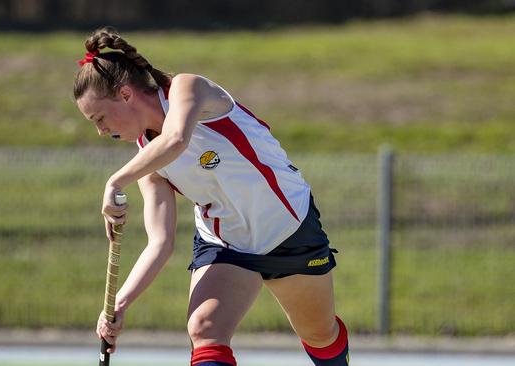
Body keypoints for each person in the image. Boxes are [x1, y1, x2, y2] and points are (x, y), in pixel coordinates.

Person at [74, 26, 350, 366]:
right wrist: (119, 304)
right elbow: (160, 244)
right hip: (226, 245)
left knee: (320, 335)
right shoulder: (146, 160)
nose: (101, 131)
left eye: (99, 118)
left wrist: (114, 181)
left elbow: (176, 138)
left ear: (126, 94)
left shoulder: (188, 88)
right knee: (204, 329)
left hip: (288, 229)